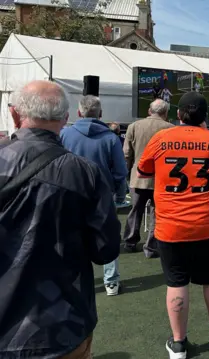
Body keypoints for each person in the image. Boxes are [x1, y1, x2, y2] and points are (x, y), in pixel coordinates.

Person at [0, 80, 121, 358]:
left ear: (15, 114)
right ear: (65, 118)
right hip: (61, 324)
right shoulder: (85, 173)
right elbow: (105, 250)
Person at [137, 91, 209, 358]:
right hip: (208, 224)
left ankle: (179, 342)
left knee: (176, 282)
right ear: (205, 117)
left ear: (178, 115)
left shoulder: (161, 138)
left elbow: (143, 170)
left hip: (171, 225)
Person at [60, 95, 127, 296]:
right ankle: (111, 283)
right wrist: (120, 197)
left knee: (71, 238)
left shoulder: (65, 134)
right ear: (100, 114)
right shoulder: (111, 138)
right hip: (103, 196)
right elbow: (120, 172)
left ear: (79, 112)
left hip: (71, 193)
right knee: (107, 237)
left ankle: (73, 281)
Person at [122, 99, 174, 257]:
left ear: (149, 111)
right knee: (157, 213)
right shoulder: (171, 129)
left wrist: (128, 171)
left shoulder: (134, 126)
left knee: (135, 210)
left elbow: (126, 154)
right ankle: (151, 247)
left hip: (138, 178)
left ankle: (130, 242)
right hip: (162, 179)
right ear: (165, 113)